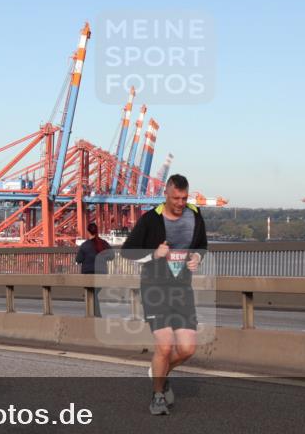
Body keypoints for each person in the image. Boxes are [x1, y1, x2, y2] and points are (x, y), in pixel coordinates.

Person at [121, 174, 207, 416]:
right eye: (176, 198)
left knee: (188, 349)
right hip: (155, 289)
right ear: (166, 195)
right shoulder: (151, 218)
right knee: (165, 346)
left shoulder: (195, 215)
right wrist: (154, 255)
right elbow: (128, 252)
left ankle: (160, 372)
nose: (180, 202)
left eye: (184, 197)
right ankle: (157, 396)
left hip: (182, 291)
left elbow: (202, 245)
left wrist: (197, 258)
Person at [75, 222, 114, 317]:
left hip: (88, 274)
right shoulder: (104, 243)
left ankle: (94, 315)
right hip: (102, 273)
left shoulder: (85, 245)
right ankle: (94, 315)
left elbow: (78, 260)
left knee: (91, 293)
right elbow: (112, 256)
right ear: (97, 231)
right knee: (94, 293)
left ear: (88, 232)